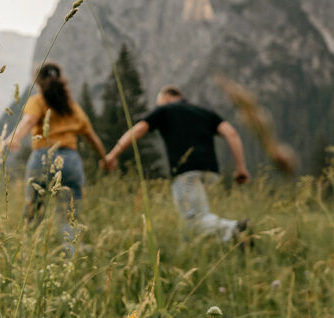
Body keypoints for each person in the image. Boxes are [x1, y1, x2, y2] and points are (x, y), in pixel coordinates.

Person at [103, 85, 250, 243]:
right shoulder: (205, 113)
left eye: (159, 103)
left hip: (186, 173)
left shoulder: (165, 110)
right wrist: (241, 168)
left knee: (193, 221)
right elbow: (232, 134)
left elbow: (139, 129)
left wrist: (113, 154)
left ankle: (234, 228)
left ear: (166, 98)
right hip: (212, 175)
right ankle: (221, 249)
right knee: (192, 226)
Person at [1, 62, 107, 254]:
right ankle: (72, 257)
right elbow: (92, 136)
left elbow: (29, 121)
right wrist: (106, 159)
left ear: (38, 83)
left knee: (34, 211)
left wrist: (14, 137)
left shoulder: (38, 101)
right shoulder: (72, 107)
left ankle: (28, 255)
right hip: (71, 160)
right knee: (69, 216)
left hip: (43, 157)